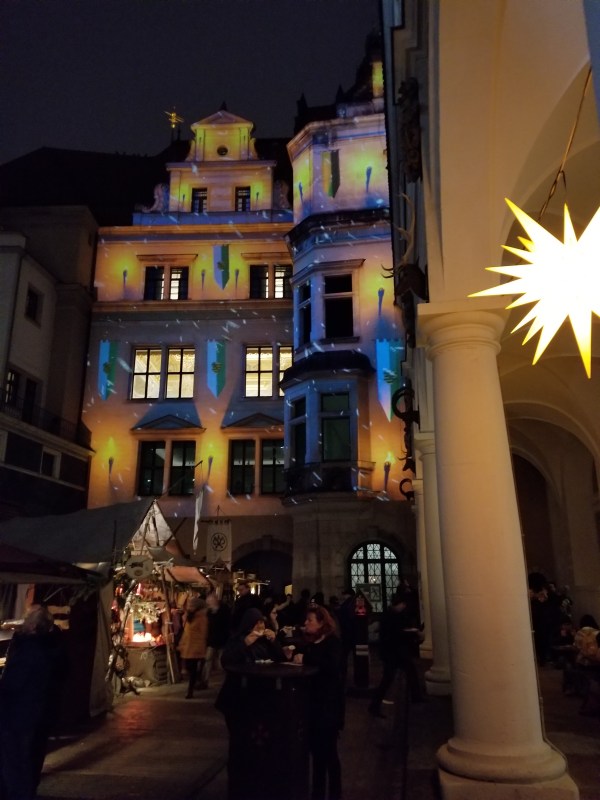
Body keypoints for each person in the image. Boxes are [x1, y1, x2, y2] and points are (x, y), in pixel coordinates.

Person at [0, 605, 68, 800]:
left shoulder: (31, 649)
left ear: (32, 626)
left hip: (19, 716)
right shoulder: (56, 646)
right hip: (43, 714)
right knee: (32, 758)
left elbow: (13, 685)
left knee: (16, 763)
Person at [292, 605, 344, 800]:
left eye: (310, 620)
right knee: (318, 755)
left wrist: (305, 658)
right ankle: (318, 793)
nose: (306, 623)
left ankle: (335, 794)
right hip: (314, 708)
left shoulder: (332, 643)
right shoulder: (311, 643)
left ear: (322, 623)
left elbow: (330, 665)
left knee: (329, 753)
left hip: (328, 709)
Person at [368, 591, 423, 717]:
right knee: (387, 680)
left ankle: (416, 696)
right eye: (403, 605)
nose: (403, 608)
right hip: (392, 653)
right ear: (400, 604)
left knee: (409, 671)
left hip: (394, 652)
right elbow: (394, 634)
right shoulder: (391, 616)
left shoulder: (391, 615)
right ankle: (374, 705)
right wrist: (410, 632)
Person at [177, 596, 208, 698]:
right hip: (188, 647)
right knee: (191, 669)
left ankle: (190, 691)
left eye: (191, 605)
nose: (189, 607)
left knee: (193, 670)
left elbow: (203, 634)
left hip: (196, 648)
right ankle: (196, 682)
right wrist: (182, 644)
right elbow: (186, 632)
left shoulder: (201, 618)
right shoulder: (189, 616)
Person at [200, 591, 231, 687]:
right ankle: (205, 681)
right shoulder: (209, 612)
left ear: (215, 600)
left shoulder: (224, 609)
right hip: (211, 640)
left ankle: (227, 681)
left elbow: (227, 624)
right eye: (208, 601)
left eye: (210, 601)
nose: (209, 603)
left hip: (222, 640)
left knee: (222, 662)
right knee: (208, 660)